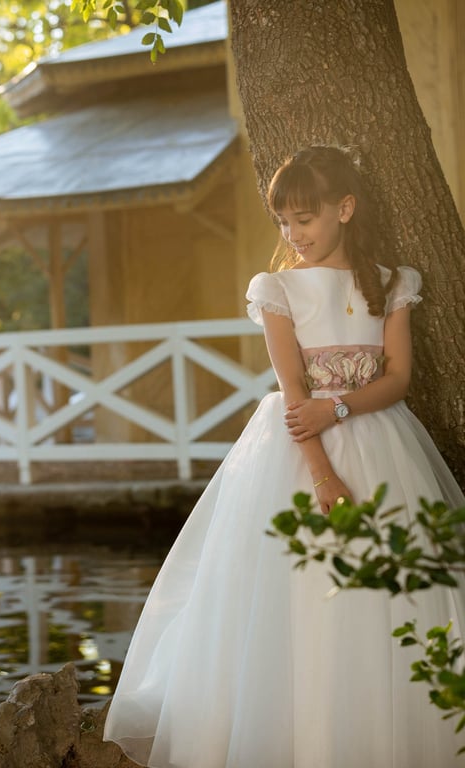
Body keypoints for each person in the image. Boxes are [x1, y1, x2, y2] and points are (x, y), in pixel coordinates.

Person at [102, 145, 465, 768]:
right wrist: (323, 473)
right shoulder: (276, 289)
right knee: (295, 593)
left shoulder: (392, 283)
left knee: (384, 596)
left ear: (344, 209)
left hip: (381, 440)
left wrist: (343, 407)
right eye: (283, 223)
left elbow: (398, 377)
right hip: (300, 451)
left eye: (305, 218)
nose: (293, 235)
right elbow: (295, 392)